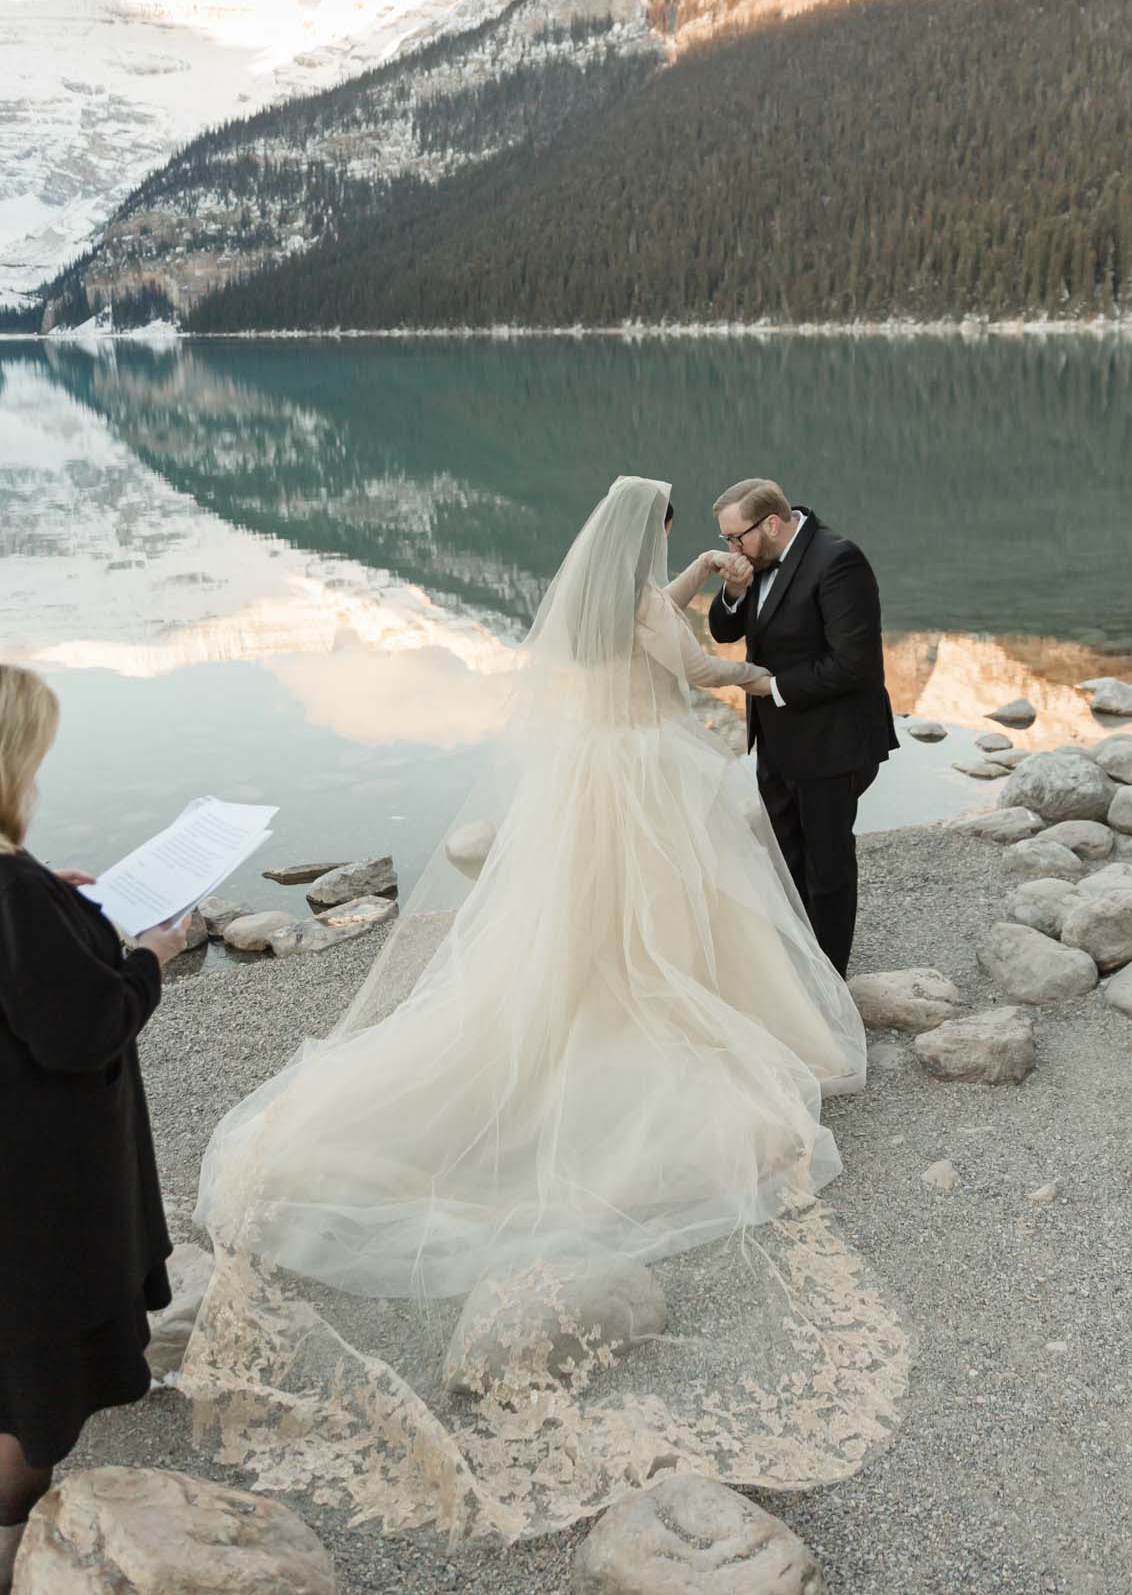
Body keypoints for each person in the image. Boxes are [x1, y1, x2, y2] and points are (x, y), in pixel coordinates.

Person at [186, 478, 903, 1544]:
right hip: (650, 779)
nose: (686, 547)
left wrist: (703, 582)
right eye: (678, 535)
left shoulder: (600, 603)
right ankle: (682, 1010)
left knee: (596, 930)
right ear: (646, 536)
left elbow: (645, 616)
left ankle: (603, 999)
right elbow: (694, 663)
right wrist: (747, 669)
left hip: (594, 783)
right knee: (676, 921)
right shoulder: (642, 609)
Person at [0, 666, 189, 1592]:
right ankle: (12, 1531)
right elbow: (81, 1031)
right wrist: (150, 957)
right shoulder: (13, 895)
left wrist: (56, 900)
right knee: (28, 1364)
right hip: (35, 1177)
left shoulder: (19, 892)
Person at [708, 479, 896, 977]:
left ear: (771, 523)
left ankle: (831, 979)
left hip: (833, 742)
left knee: (827, 866)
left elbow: (854, 664)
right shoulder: (761, 562)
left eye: (736, 538)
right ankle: (799, 967)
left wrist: (773, 688)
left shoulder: (838, 561)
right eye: (727, 540)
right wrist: (733, 589)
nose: (732, 548)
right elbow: (725, 630)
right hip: (776, 741)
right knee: (786, 858)